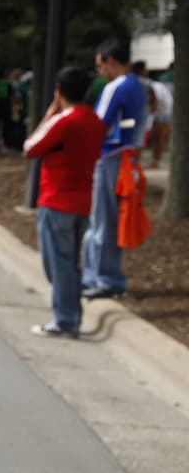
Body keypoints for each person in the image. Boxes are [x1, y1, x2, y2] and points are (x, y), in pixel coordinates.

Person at [23, 66, 105, 338]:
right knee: (70, 263)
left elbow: (30, 148)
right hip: (83, 201)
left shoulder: (63, 121)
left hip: (56, 201)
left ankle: (66, 320)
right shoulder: (95, 120)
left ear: (58, 91)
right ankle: (71, 315)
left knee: (58, 265)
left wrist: (50, 113)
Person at [83, 37, 147, 300]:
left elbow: (99, 124)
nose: (100, 72)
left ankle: (102, 278)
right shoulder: (138, 86)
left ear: (111, 61)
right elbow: (136, 123)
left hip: (109, 155)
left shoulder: (115, 87)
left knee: (102, 219)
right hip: (127, 155)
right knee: (110, 218)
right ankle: (103, 275)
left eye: (100, 66)